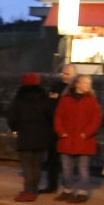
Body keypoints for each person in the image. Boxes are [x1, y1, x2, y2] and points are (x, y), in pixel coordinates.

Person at [54, 74, 102, 203]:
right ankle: (67, 190)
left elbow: (96, 120)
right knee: (66, 168)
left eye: (89, 83)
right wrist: (61, 132)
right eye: (85, 82)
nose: (88, 85)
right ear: (77, 84)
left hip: (84, 140)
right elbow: (58, 117)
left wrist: (86, 133)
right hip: (67, 139)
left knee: (83, 168)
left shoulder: (92, 100)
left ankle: (82, 192)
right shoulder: (65, 99)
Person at [7, 72, 54, 202]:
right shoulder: (45, 98)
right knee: (37, 165)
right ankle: (34, 189)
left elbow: (12, 118)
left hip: (25, 134)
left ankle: (28, 191)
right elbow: (51, 116)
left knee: (27, 165)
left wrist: (15, 131)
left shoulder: (19, 98)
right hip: (41, 136)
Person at [42, 63, 77, 192]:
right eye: (64, 73)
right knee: (52, 158)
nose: (64, 76)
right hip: (53, 128)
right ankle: (52, 185)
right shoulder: (56, 87)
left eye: (68, 74)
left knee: (68, 161)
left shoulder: (75, 90)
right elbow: (48, 105)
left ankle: (67, 187)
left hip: (69, 130)